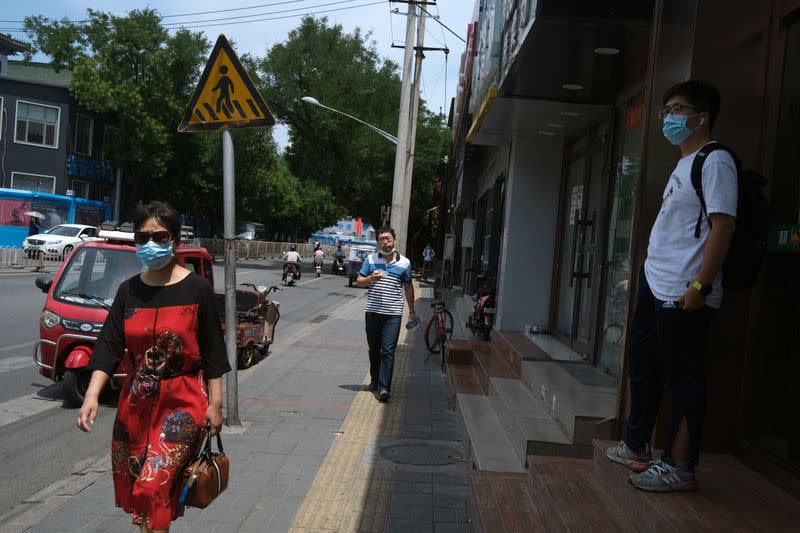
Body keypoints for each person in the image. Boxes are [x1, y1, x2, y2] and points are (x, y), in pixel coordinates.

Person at [606, 81, 737, 492]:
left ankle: (680, 465)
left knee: (683, 379)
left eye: (678, 110)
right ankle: (637, 444)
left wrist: (701, 285)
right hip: (655, 282)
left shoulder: (715, 161)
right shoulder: (684, 163)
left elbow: (723, 225)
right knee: (643, 364)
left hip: (684, 290)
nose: (669, 119)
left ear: (702, 116)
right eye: (666, 111)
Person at [76, 201, 231, 532]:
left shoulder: (197, 289)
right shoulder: (128, 291)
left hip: (182, 405)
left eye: (159, 236)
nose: (150, 244)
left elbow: (214, 353)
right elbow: (108, 346)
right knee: (145, 496)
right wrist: (91, 395)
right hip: (135, 405)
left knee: (153, 484)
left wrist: (216, 404)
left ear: (174, 239)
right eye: (142, 237)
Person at [356, 228, 418, 402]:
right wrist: (370, 279)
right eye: (381, 239)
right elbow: (359, 281)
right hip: (373, 313)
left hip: (393, 314)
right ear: (378, 242)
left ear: (394, 240)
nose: (385, 242)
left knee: (389, 350)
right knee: (374, 349)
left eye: (388, 238)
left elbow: (408, 287)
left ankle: (384, 387)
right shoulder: (371, 259)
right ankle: (375, 380)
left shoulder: (404, 263)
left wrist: (412, 311)